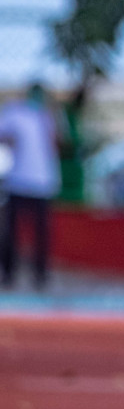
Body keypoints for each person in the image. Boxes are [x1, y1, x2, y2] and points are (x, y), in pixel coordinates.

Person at [0, 84, 61, 289]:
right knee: (11, 232)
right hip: (18, 182)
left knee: (41, 234)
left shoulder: (47, 116)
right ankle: (8, 275)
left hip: (43, 183)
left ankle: (40, 277)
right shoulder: (14, 112)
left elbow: (57, 144)